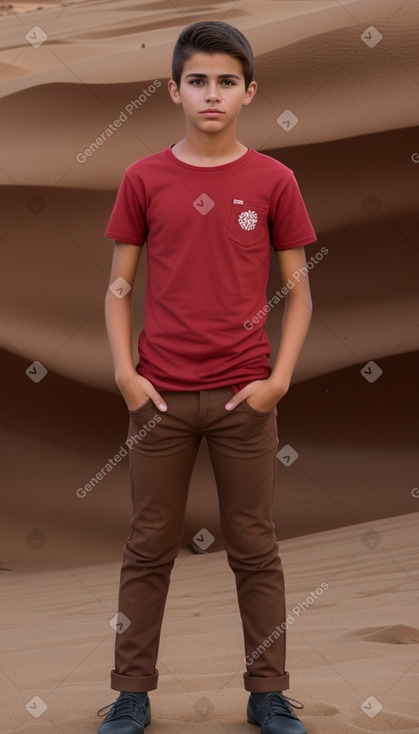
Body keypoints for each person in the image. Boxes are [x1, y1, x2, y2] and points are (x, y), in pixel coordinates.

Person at [97, 20, 316, 734]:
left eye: (226, 81)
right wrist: (125, 374)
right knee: (146, 545)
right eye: (197, 80)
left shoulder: (273, 180)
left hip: (243, 398)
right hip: (157, 397)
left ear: (249, 92)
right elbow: (119, 287)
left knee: (254, 547)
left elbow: (299, 289)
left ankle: (267, 692)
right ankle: (131, 693)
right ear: (174, 90)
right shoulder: (143, 177)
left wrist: (277, 380)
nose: (211, 94)